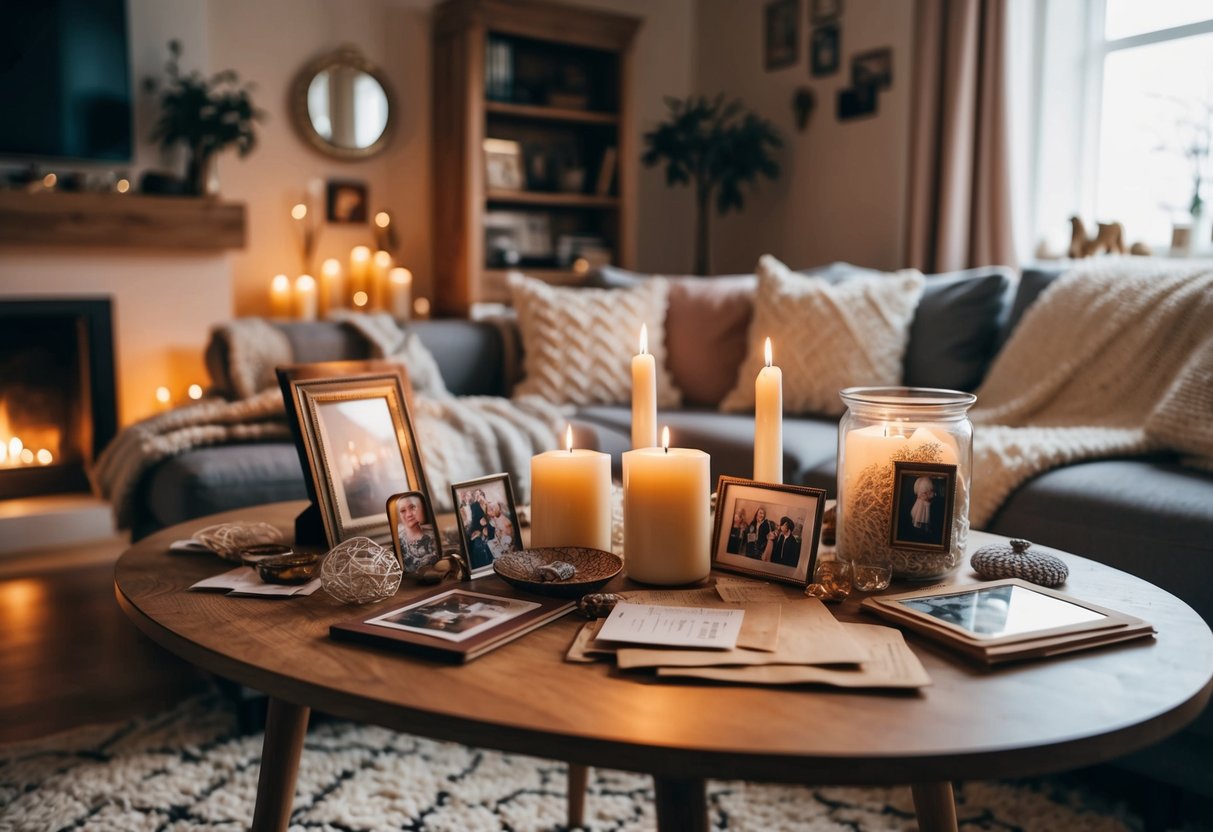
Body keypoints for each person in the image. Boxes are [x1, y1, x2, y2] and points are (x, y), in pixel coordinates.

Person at [396, 493, 439, 574]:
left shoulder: (435, 535)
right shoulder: (398, 541)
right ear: (399, 516)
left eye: (412, 507)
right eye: (403, 511)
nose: (409, 514)